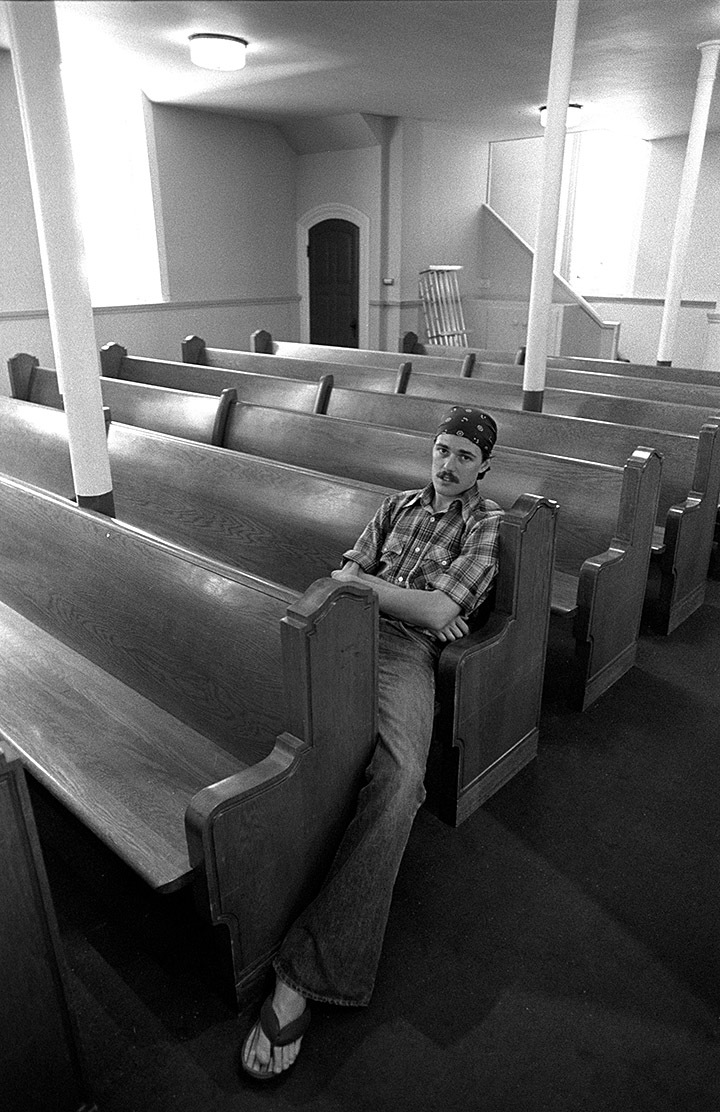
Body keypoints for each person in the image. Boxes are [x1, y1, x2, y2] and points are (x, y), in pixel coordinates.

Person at [241, 404, 504, 1080]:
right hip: (343, 626)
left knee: (400, 781)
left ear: (484, 467)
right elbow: (342, 580)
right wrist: (399, 596)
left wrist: (380, 589)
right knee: (255, 711)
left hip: (405, 656)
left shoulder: (484, 523)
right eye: (442, 449)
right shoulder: (395, 506)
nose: (448, 464)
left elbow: (437, 611)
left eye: (465, 456)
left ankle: (306, 972)